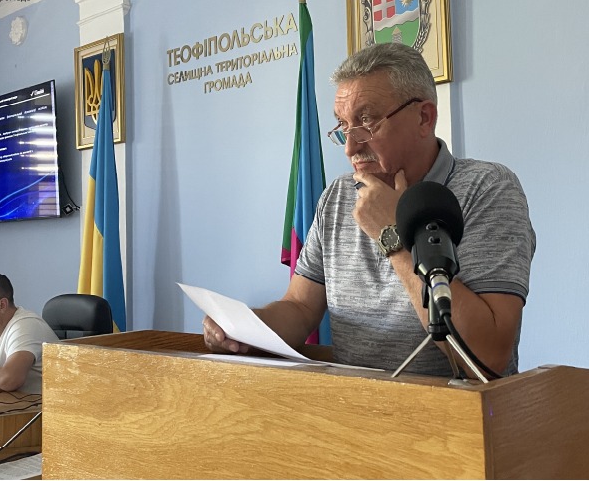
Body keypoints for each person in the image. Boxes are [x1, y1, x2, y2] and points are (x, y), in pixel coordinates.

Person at [204, 42, 535, 378]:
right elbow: (300, 307)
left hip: (452, 409)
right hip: (353, 406)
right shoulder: (337, 196)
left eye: (367, 121)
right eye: (343, 126)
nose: (350, 147)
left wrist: (391, 236)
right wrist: (244, 329)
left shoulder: (487, 188)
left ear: (424, 118)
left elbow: (488, 355)